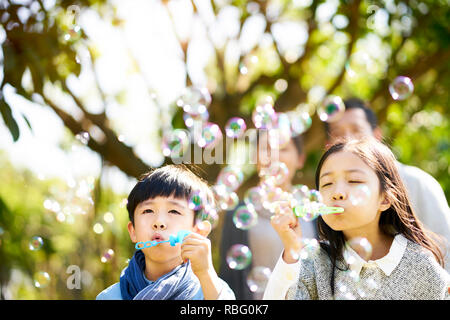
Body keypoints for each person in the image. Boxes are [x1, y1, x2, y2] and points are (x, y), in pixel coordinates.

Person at [264, 137, 449, 300]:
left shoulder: (420, 267)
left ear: (385, 198)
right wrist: (291, 251)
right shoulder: (315, 262)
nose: (337, 193)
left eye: (354, 181)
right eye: (327, 183)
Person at [325, 98, 450, 271]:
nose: (348, 139)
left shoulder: (418, 182)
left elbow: (446, 246)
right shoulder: (329, 195)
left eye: (357, 130)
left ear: (377, 135)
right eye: (338, 133)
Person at [96, 165, 235, 300]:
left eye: (174, 211)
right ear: (133, 231)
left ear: (198, 231)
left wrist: (206, 273)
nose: (159, 222)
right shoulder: (109, 297)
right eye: (148, 211)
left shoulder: (211, 291)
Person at [219, 131, 318, 300]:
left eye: (283, 148)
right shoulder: (237, 215)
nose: (274, 156)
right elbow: (229, 278)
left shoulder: (316, 213)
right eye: (266, 148)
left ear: (300, 159)